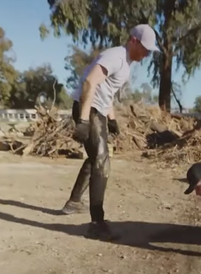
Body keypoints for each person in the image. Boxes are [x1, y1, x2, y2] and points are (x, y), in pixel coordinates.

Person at [60, 24, 160, 240]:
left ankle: (74, 202)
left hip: (100, 111)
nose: (146, 53)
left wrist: (113, 120)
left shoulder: (127, 65)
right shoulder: (115, 56)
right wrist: (84, 120)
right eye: (144, 48)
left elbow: (107, 93)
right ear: (133, 40)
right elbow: (90, 82)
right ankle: (96, 223)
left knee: (96, 157)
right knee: (102, 162)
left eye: (149, 50)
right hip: (89, 108)